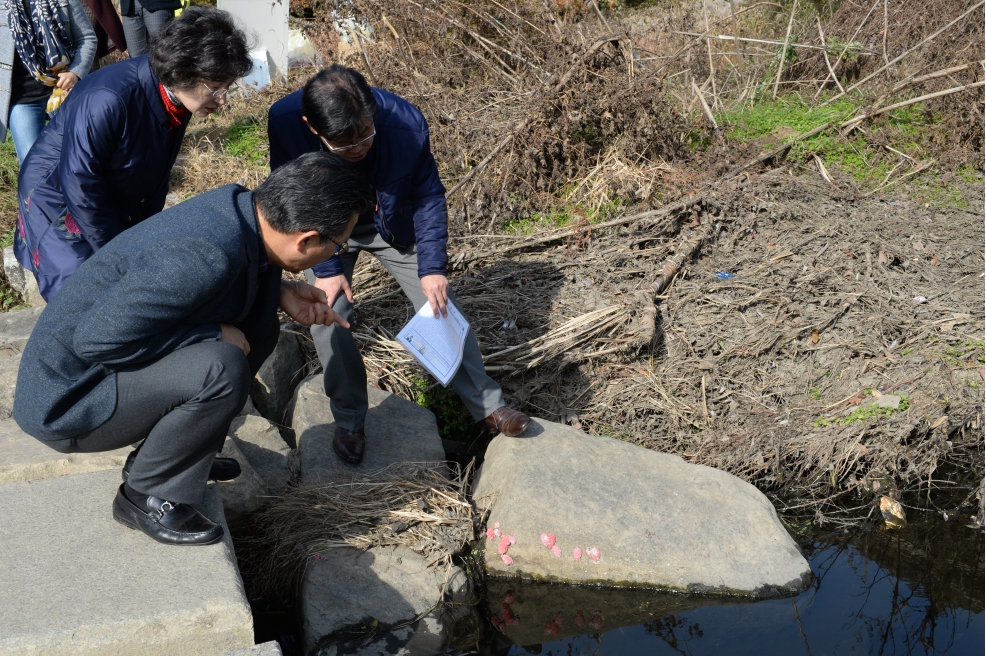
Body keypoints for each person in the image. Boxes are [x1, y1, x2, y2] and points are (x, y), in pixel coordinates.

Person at [13, 153, 375, 546]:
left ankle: (171, 456)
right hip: (68, 400)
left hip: (90, 373)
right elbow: (98, 339)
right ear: (306, 239)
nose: (336, 254)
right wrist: (211, 333)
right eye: (338, 245)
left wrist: (280, 291)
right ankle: (147, 494)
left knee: (256, 329)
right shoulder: (204, 254)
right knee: (220, 367)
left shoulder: (240, 209)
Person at [267, 64, 531, 465]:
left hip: (390, 225)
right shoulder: (285, 122)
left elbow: (427, 196)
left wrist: (433, 268)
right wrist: (327, 268)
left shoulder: (405, 122)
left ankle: (489, 406)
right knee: (327, 312)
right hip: (324, 228)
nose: (359, 148)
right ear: (311, 126)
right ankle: (351, 419)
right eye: (345, 143)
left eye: (366, 135)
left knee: (441, 304)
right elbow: (290, 195)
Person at [13, 6, 251, 301]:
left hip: (103, 180)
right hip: (57, 190)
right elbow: (80, 181)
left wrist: (139, 238)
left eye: (227, 87)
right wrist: (119, 253)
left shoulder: (178, 94)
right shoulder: (108, 98)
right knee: (80, 296)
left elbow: (154, 172)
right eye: (216, 88)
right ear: (182, 70)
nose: (223, 99)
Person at [0, 0, 96, 164]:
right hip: (21, 98)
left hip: (65, 92)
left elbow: (87, 37)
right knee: (33, 166)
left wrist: (75, 72)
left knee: (81, 158)